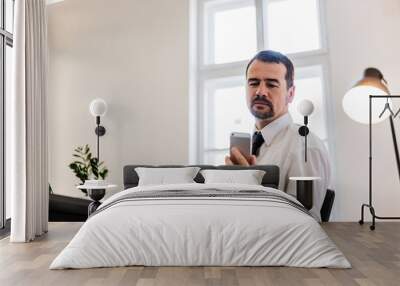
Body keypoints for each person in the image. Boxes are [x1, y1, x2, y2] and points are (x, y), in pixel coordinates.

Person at [225, 50, 331, 221]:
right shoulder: (252, 143)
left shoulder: (306, 147)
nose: (260, 91)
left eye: (271, 84)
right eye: (253, 83)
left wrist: (248, 187)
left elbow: (303, 224)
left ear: (290, 93)